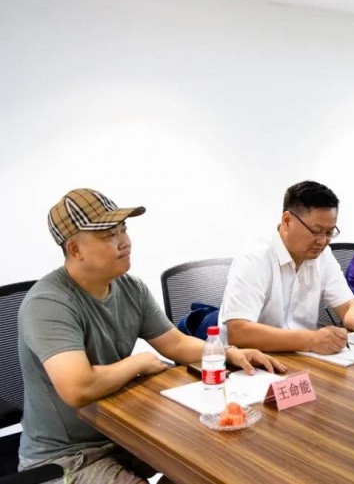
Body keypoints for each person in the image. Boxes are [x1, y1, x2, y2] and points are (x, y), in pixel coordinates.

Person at [18, 188, 285, 483]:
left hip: (125, 435)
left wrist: (227, 353)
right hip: (68, 457)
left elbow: (175, 342)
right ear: (75, 249)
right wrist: (140, 362)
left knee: (224, 456)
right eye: (110, 235)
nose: (125, 242)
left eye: (123, 229)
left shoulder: (130, 288)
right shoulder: (48, 303)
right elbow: (78, 387)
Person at [219, 181, 354, 355]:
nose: (322, 241)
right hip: (249, 361)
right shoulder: (255, 257)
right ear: (287, 221)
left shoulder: (323, 255)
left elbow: (347, 306)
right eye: (315, 231)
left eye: (329, 232)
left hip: (302, 357)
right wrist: (311, 340)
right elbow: (239, 332)